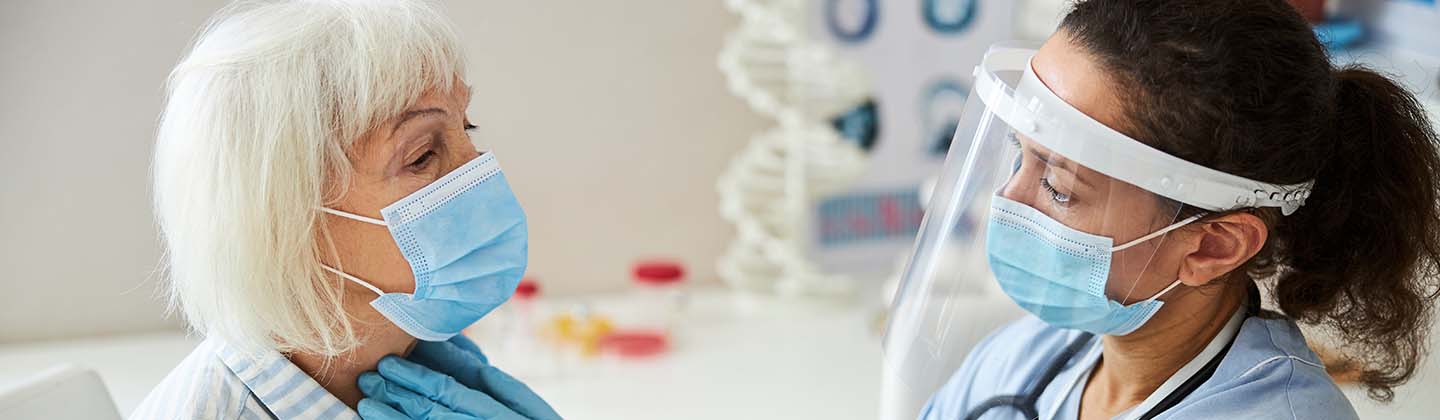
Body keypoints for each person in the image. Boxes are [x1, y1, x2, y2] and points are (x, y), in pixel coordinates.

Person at [883, 0, 1440, 419]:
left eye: (1058, 185)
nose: (1008, 198)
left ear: (1212, 244)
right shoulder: (1025, 358)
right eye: (1020, 156)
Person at [130, 1, 560, 418]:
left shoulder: (426, 369)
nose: (479, 168)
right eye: (423, 154)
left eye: (466, 126)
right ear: (286, 222)